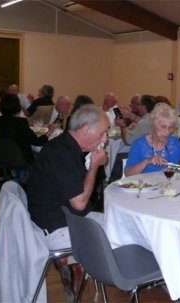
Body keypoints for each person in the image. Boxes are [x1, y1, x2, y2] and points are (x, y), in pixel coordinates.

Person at [27, 104, 108, 250]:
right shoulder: (61, 153)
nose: (106, 138)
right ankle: (95, 269)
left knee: (120, 224)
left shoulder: (66, 146)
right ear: (85, 130)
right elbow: (79, 203)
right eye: (102, 133)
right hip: (56, 228)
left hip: (66, 217)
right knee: (122, 234)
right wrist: (94, 166)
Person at [124, 103, 180, 176]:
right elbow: (128, 173)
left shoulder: (174, 143)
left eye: (170, 128)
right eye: (163, 127)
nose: (167, 132)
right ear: (153, 125)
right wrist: (147, 161)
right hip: (147, 186)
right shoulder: (139, 144)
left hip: (170, 185)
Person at [0, 94, 52, 166]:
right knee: (46, 155)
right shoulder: (20, 122)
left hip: (2, 158)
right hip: (21, 159)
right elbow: (37, 142)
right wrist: (49, 133)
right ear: (17, 106)